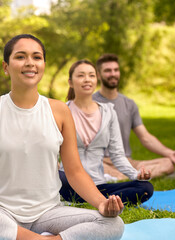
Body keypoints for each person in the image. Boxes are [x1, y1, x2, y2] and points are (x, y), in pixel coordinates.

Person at [0, 34, 125, 240]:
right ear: (6, 67)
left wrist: (101, 204)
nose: (30, 63)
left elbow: (75, 172)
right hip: (0, 212)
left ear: (44, 64)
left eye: (37, 57)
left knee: (113, 224)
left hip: (48, 214)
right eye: (20, 57)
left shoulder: (60, 111)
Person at [59, 59, 153, 205]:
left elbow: (117, 155)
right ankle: (103, 201)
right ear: (70, 82)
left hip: (98, 185)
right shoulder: (62, 111)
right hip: (69, 182)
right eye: (81, 75)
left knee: (145, 187)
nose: (87, 80)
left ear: (97, 79)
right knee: (59, 177)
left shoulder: (108, 112)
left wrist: (136, 174)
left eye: (91, 75)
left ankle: (96, 200)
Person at [93, 53, 175, 180]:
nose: (113, 74)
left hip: (127, 162)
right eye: (108, 71)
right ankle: (128, 177)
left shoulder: (129, 104)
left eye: (116, 70)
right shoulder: (89, 102)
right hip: (100, 161)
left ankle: (126, 177)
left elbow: (145, 137)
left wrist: (170, 153)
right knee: (88, 165)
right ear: (98, 75)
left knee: (167, 164)